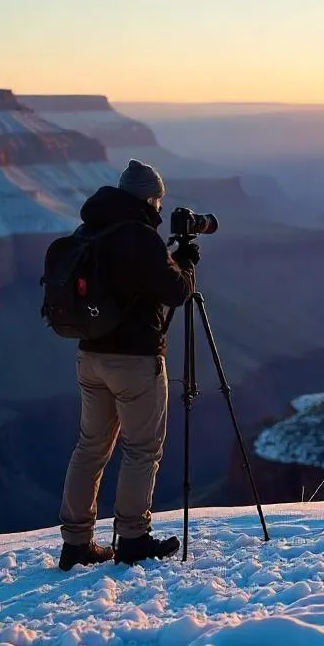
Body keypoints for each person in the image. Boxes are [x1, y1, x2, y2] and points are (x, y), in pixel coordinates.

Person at [57, 159, 199, 570]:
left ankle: (76, 543)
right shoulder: (140, 236)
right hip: (134, 362)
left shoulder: (92, 228)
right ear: (149, 198)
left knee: (90, 448)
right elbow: (176, 292)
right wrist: (187, 261)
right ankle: (133, 537)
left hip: (90, 357)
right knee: (141, 450)